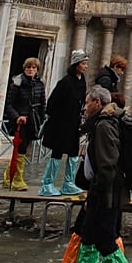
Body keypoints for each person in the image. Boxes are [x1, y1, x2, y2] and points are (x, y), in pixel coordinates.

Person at [67, 85, 132, 263]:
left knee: (105, 240)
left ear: (97, 103)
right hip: (101, 191)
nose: (84, 107)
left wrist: (95, 195)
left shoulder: (104, 126)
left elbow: (107, 166)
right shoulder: (100, 123)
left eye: (88, 102)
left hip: (107, 193)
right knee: (87, 237)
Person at [39, 51, 88, 198]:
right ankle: (47, 184)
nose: (86, 66)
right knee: (57, 153)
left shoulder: (82, 81)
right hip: (61, 123)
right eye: (83, 63)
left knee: (73, 153)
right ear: (76, 65)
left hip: (74, 122)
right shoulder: (65, 82)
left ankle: (69, 183)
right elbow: (52, 103)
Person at [2, 58, 45, 191]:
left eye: (33, 68)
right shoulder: (17, 84)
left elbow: (42, 103)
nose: (31, 70)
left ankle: (8, 176)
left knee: (24, 147)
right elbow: (8, 104)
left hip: (33, 120)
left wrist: (42, 119)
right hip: (20, 120)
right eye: (28, 67)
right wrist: (16, 117)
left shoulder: (39, 84)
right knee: (20, 148)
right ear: (24, 68)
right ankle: (16, 178)